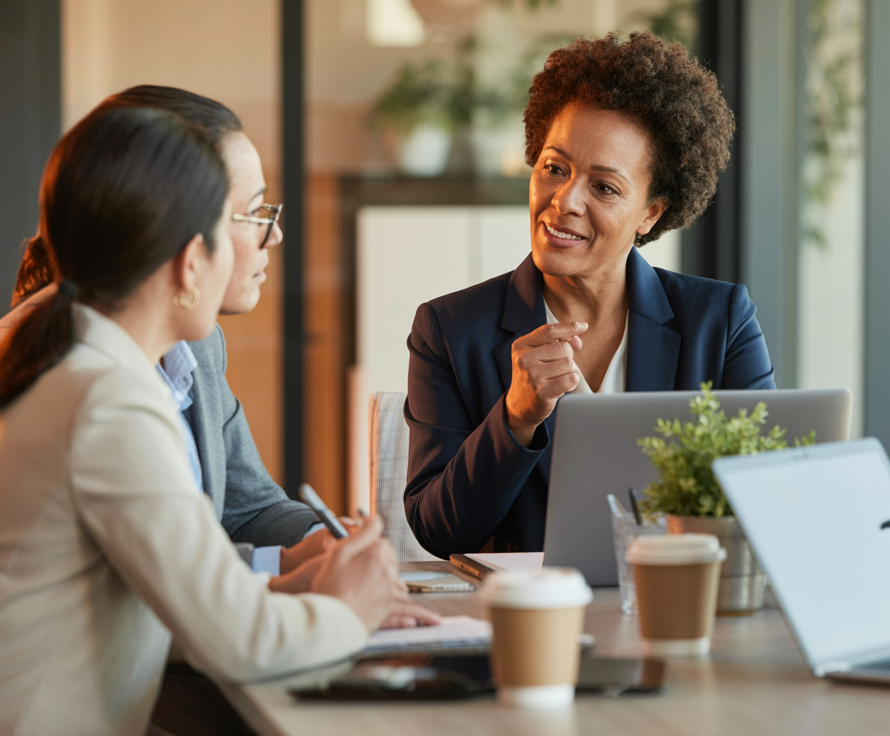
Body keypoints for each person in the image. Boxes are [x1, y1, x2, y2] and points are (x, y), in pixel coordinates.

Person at [0, 106, 402, 736]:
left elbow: (167, 607)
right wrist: (350, 610)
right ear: (191, 261)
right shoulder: (111, 401)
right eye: (244, 221)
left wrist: (295, 587)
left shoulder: (73, 356)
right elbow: (238, 643)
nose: (269, 240)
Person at [404, 31, 775, 558]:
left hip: (676, 612)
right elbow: (437, 530)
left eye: (604, 187)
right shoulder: (448, 329)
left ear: (652, 212)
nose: (564, 201)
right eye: (554, 168)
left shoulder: (720, 322)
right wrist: (515, 418)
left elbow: (766, 498)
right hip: (532, 625)